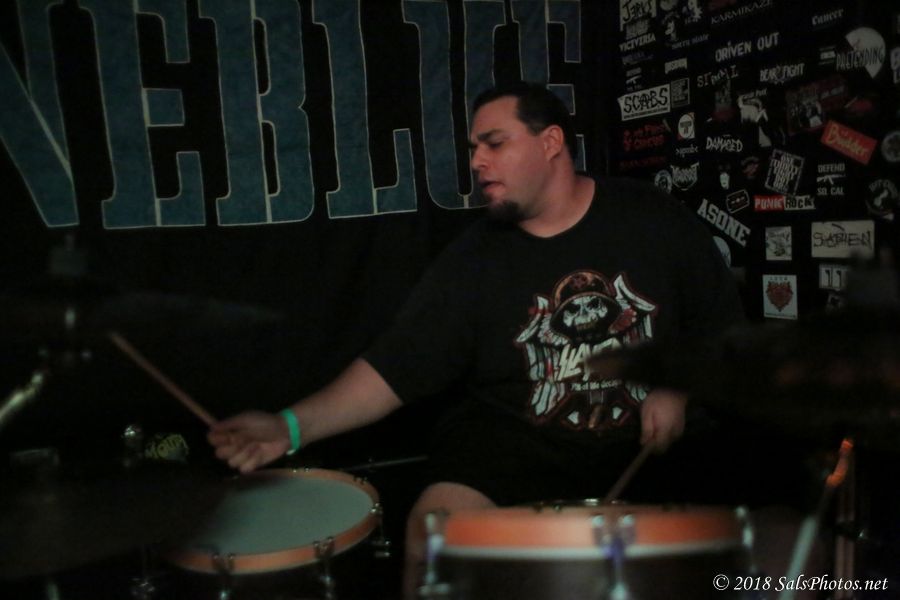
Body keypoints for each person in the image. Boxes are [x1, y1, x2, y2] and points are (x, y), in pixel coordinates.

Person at [208, 81, 747, 597]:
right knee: (435, 533)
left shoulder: (652, 218)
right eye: (473, 149)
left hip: (648, 447)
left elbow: (723, 328)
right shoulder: (473, 260)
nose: (477, 162)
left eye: (494, 143)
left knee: (752, 530)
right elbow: (393, 369)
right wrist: (289, 426)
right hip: (518, 446)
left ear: (550, 142)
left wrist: (678, 386)